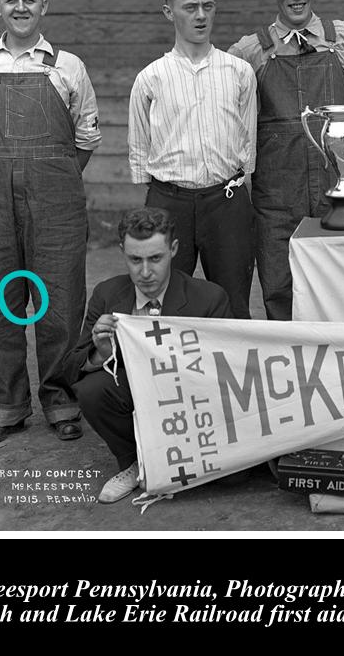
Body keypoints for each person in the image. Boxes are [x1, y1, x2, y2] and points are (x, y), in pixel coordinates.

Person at [0, 0, 101, 445]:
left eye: (29, 0)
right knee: (0, 303)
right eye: (11, 0)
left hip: (56, 201)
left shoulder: (68, 66)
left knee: (60, 304)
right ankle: (8, 405)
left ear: (44, 6)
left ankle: (60, 399)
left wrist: (50, 175)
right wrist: (3, 175)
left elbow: (86, 137)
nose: (20, 7)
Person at [228, 0, 344, 320]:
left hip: (337, 189)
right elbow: (223, 109)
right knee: (280, 290)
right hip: (276, 194)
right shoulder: (249, 52)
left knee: (342, 288)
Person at [71, 207, 234, 504]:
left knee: (237, 477)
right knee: (91, 390)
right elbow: (73, 366)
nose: (145, 272)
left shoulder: (209, 298)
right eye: (135, 260)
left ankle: (181, 462)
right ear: (122, 252)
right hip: (136, 391)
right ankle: (136, 463)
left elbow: (232, 372)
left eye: (155, 258)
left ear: (173, 249)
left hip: (193, 400)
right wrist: (102, 353)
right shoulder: (107, 294)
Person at [128, 0, 257, 318]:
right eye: (189, 7)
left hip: (226, 202)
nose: (200, 16)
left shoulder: (239, 72)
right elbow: (140, 148)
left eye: (207, 6)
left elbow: (249, 140)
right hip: (168, 201)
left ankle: (234, 370)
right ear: (169, 12)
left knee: (233, 302)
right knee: (163, 303)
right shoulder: (150, 78)